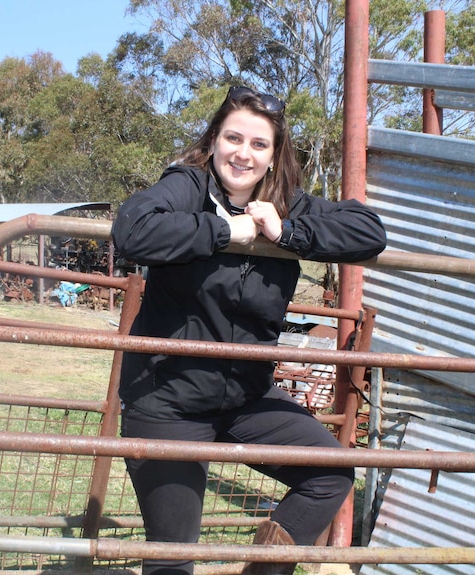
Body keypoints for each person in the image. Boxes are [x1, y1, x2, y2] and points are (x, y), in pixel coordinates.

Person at [111, 85, 387, 575]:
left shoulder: (287, 204)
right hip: (168, 399)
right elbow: (132, 228)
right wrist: (225, 232)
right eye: (233, 138)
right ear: (214, 139)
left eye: (259, 144)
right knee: (173, 559)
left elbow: (369, 232)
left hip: (247, 398)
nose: (243, 153)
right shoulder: (188, 186)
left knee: (331, 472)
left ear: (274, 154)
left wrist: (287, 234)